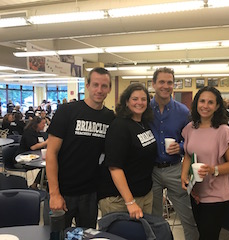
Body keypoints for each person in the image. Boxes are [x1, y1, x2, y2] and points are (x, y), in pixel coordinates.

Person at [46, 67, 115, 229]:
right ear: (88, 85)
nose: (99, 90)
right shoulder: (67, 111)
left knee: (86, 235)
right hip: (63, 191)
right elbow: (51, 153)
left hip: (90, 193)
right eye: (95, 85)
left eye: (104, 86)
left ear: (109, 89)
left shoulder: (110, 117)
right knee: (57, 236)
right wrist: (54, 193)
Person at [181, 86, 229, 240]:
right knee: (202, 232)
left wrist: (212, 169)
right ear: (196, 103)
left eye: (210, 102)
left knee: (208, 236)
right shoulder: (189, 128)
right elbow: (188, 155)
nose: (205, 106)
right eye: (202, 101)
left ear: (217, 106)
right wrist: (184, 177)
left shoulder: (224, 131)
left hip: (217, 194)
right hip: (196, 192)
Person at [149, 67, 199, 240]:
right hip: (150, 170)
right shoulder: (144, 110)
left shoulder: (183, 112)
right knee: (154, 219)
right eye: (161, 82)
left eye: (169, 82)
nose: (165, 86)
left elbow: (193, 139)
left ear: (173, 85)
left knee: (188, 217)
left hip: (175, 169)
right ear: (153, 84)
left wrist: (181, 146)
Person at [98, 83, 156, 219]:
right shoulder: (120, 126)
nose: (139, 103)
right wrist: (130, 201)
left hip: (144, 194)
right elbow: (114, 167)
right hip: (120, 199)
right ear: (126, 101)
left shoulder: (144, 124)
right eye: (135, 99)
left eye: (143, 99)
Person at [17, 116, 48, 189]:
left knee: (49, 165)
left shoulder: (38, 133)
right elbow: (33, 147)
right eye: (43, 123)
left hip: (36, 156)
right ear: (37, 124)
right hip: (24, 158)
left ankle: (37, 183)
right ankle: (35, 184)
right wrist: (47, 142)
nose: (44, 125)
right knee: (46, 167)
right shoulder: (29, 133)